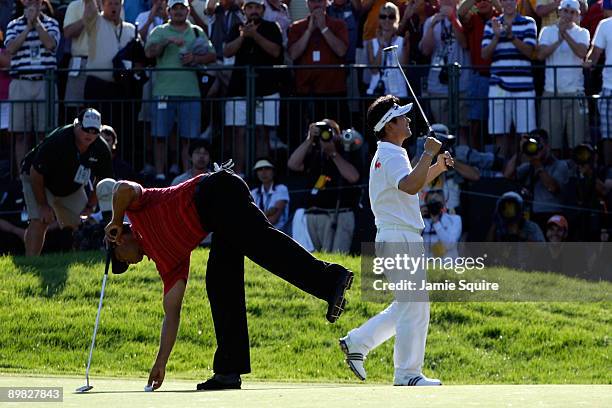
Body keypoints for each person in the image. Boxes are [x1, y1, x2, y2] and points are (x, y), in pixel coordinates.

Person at [103, 167, 354, 391]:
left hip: (216, 190)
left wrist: (115, 219)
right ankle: (228, 371)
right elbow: (172, 314)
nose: (127, 263)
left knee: (263, 246)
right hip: (218, 218)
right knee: (220, 283)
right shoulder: (167, 264)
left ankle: (332, 281)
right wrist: (161, 362)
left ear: (119, 240)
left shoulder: (136, 209)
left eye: (120, 259)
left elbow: (122, 188)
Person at [339, 94, 454, 386]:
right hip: (398, 236)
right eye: (402, 117)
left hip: (398, 235)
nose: (408, 120)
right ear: (389, 126)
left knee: (409, 304)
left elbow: (409, 183)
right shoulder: (391, 153)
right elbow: (409, 186)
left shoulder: (392, 153)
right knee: (413, 305)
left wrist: (437, 166)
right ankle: (407, 374)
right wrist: (428, 154)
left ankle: (358, 342)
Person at [20, 108, 113, 256]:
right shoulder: (58, 140)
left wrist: (90, 205)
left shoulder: (101, 148)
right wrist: (43, 205)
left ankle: (80, 259)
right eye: (86, 129)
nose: (90, 134)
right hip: (39, 180)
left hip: (70, 186)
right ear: (76, 125)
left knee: (85, 222)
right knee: (39, 219)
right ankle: (31, 262)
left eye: (95, 131)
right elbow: (36, 173)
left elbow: (102, 180)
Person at [145, 0, 216, 180]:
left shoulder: (196, 31)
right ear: (168, 11)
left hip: (190, 92)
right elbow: (149, 53)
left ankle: (188, 176)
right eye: (174, 8)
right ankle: (160, 174)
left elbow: (212, 54)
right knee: (160, 135)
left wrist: (195, 58)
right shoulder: (160, 31)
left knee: (189, 138)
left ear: (188, 10)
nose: (178, 12)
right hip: (163, 91)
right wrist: (167, 41)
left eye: (181, 8)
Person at [223, 0, 283, 174]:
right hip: (239, 89)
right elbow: (227, 51)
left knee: (262, 132)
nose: (254, 11)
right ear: (244, 10)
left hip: (266, 89)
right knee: (238, 133)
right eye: (250, 7)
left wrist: (255, 36)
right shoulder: (236, 28)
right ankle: (239, 173)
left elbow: (276, 52)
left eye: (257, 7)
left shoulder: (272, 27)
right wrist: (243, 36)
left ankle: (261, 172)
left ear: (263, 10)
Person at [287, 119, 361, 253]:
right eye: (322, 131)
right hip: (313, 215)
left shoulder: (346, 150)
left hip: (339, 214)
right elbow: (293, 164)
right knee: (314, 260)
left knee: (337, 259)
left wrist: (333, 153)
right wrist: (309, 140)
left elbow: (353, 177)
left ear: (338, 135)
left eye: (330, 131)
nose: (326, 135)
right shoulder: (314, 153)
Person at [5, 0, 60, 167]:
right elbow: (11, 48)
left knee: (45, 133)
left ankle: (43, 171)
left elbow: (51, 44)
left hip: (45, 83)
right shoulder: (13, 25)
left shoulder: (51, 23)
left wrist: (36, 23)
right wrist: (27, 27)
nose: (32, 4)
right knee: (20, 134)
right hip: (21, 82)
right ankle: (22, 174)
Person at [481, 0, 537, 158]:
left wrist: (511, 37)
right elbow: (485, 54)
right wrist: (497, 37)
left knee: (526, 136)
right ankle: (501, 175)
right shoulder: (491, 24)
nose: (509, 2)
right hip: (498, 86)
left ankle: (525, 173)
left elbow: (529, 52)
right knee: (500, 134)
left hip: (524, 88)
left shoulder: (528, 23)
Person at [538, 0, 590, 153]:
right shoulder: (546, 31)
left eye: (572, 12)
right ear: (559, 12)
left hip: (576, 92)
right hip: (552, 92)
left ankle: (578, 175)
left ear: (577, 15)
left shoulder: (582, 32)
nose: (568, 15)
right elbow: (540, 55)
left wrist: (565, 35)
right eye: (565, 11)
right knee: (551, 142)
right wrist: (558, 39)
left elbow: (582, 53)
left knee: (578, 141)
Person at [83, 0, 137, 138]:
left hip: (123, 88)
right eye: (110, 4)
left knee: (122, 132)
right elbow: (89, 6)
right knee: (95, 131)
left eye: (117, 3)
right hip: (98, 87)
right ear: (102, 5)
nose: (114, 7)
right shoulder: (95, 22)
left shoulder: (130, 29)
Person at [287, 0, 348, 117]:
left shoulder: (339, 25)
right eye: (313, 1)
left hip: (333, 91)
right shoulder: (296, 27)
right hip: (305, 92)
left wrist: (323, 28)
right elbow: (293, 54)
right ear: (307, 4)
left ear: (326, 3)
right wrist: (309, 30)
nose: (316, 5)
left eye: (320, 1)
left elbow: (341, 51)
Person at [419, 0, 470, 134]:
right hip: (438, 85)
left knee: (463, 130)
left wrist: (453, 18)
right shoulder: (431, 21)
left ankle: (462, 155)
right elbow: (425, 50)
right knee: (442, 131)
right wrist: (431, 26)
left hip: (461, 84)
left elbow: (464, 43)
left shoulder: (465, 17)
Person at [503, 130, 570, 233]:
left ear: (547, 146)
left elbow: (552, 187)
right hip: (531, 216)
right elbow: (507, 175)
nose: (536, 148)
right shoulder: (529, 166)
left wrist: (537, 163)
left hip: (552, 217)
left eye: (539, 145)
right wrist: (520, 151)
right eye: (532, 144)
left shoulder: (560, 165)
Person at [458, 0, 499, 148]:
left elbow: (505, 11)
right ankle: (476, 157)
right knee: (475, 122)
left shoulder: (499, 18)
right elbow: (460, 13)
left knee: (498, 124)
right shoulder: (473, 19)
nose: (483, 3)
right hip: (479, 76)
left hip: (499, 77)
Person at [63, 0, 103, 110]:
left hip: (103, 63)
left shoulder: (112, 5)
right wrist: (86, 18)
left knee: (101, 108)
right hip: (80, 63)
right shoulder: (74, 6)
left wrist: (101, 13)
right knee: (75, 109)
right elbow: (68, 33)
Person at [365, 2, 409, 98]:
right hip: (378, 91)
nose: (387, 20)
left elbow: (403, 70)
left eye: (391, 16)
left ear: (396, 19)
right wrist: (381, 46)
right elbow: (374, 70)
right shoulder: (371, 43)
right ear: (379, 19)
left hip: (398, 92)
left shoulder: (402, 41)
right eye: (383, 16)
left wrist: (392, 43)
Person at [585, 11, 612, 166]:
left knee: (608, 136)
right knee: (608, 136)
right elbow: (594, 55)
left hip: (608, 88)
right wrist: (588, 62)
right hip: (609, 88)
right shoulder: (605, 25)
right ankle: (609, 172)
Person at [421, 189, 462, 258]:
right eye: (431, 203)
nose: (434, 207)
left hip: (448, 265)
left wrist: (436, 222)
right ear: (426, 203)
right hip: (427, 264)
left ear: (444, 203)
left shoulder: (454, 219)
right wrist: (419, 218)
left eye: (437, 204)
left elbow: (449, 244)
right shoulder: (422, 221)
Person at [250, 158, 289, 230]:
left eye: (267, 168)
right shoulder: (253, 192)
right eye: (260, 169)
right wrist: (268, 212)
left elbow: (274, 219)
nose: (263, 172)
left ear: (273, 171)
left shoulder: (281, 188)